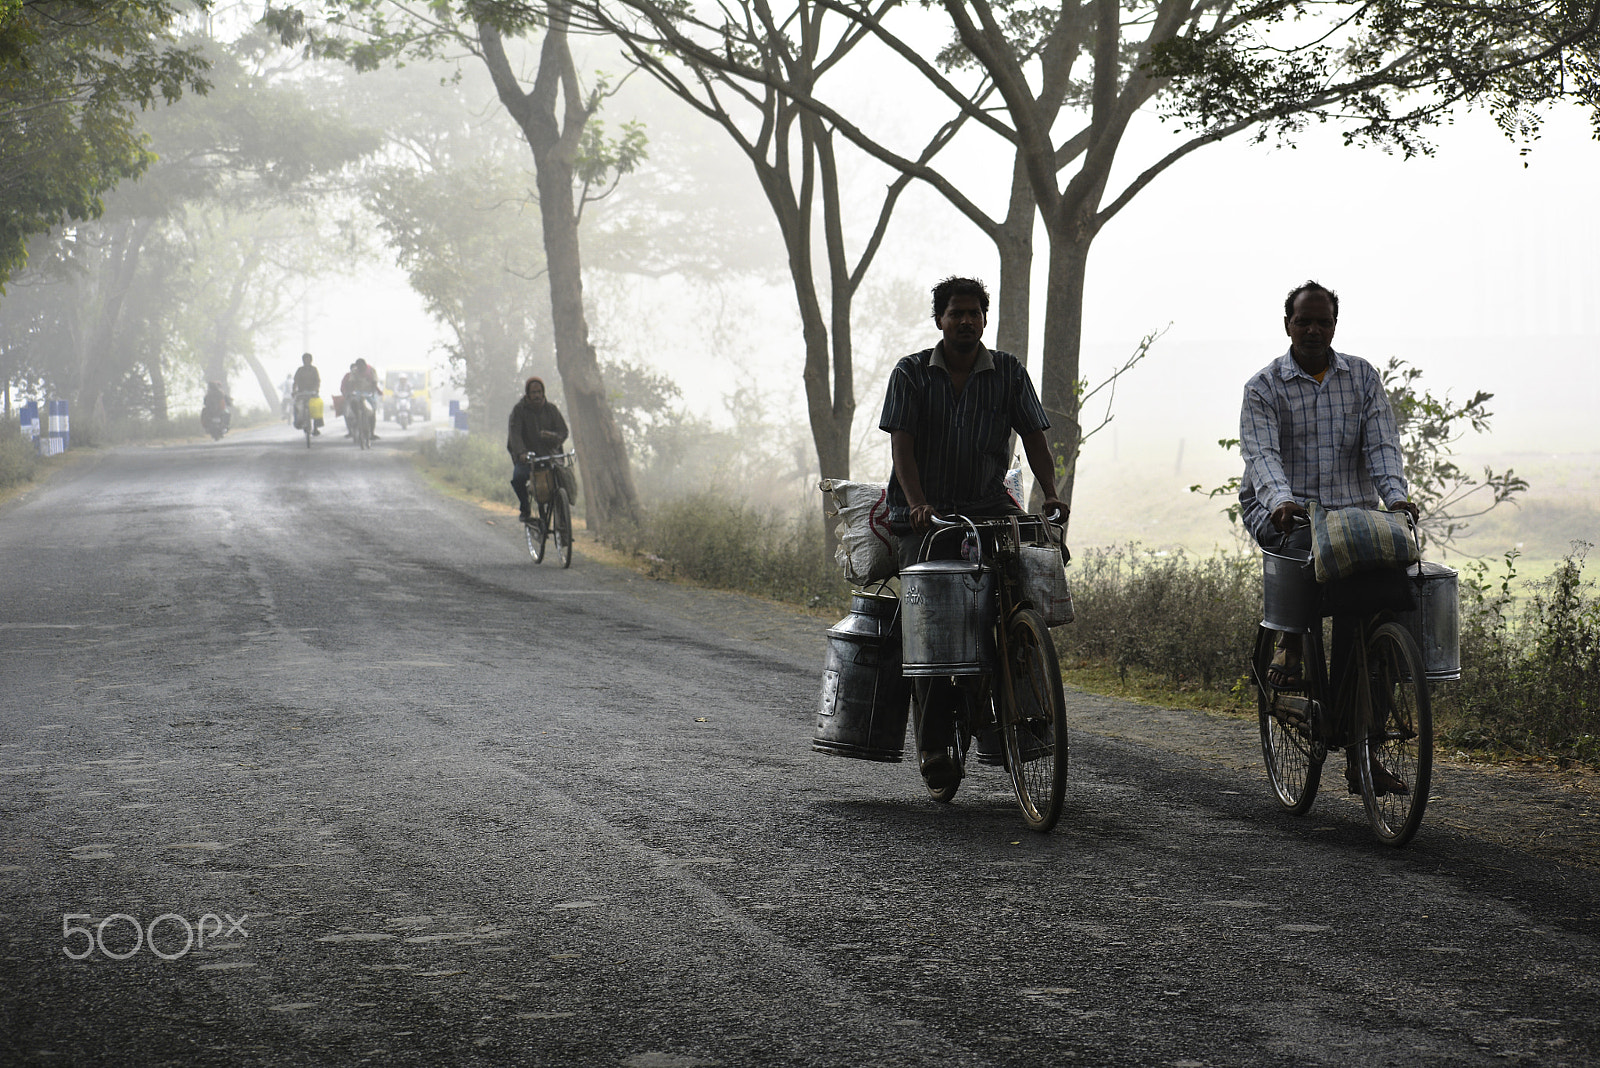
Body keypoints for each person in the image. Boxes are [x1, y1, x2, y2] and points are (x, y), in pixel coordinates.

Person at [878, 275, 1067, 792]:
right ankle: (934, 745)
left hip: (987, 506)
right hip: (925, 516)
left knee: (1012, 603)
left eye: (974, 313)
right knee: (935, 629)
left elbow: (1034, 437)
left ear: (986, 319)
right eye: (955, 313)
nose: (965, 321)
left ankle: (1019, 728)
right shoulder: (912, 373)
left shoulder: (1007, 372)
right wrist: (917, 504)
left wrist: (1049, 492)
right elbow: (903, 447)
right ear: (939, 320)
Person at [1238, 280, 1421, 796]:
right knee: (1301, 557)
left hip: (1351, 512)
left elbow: (1382, 446)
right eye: (1304, 321)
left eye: (1323, 321)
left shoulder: (1361, 377)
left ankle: (1365, 748)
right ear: (1288, 325)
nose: (1314, 330)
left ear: (1335, 325)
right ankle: (1291, 644)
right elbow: (1262, 457)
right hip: (1286, 511)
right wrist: (1280, 502)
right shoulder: (1264, 386)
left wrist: (1397, 498)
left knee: (1382, 602)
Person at [507, 376, 571, 524]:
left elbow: (563, 432)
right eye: (533, 392)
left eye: (539, 391)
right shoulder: (519, 410)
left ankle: (562, 521)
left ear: (543, 393)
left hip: (550, 457)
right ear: (528, 394)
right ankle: (525, 508)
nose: (537, 395)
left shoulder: (552, 410)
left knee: (562, 482)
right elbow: (514, 435)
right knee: (518, 478)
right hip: (528, 459)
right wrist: (521, 453)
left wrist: (552, 436)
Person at [342, 358, 381, 440]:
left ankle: (372, 433)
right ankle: (357, 417)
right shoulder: (354, 371)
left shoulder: (371, 370)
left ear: (365, 365)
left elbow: (374, 382)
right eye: (358, 367)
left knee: (372, 412)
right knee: (353, 403)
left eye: (361, 367)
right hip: (358, 392)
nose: (360, 369)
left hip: (369, 393)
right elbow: (352, 382)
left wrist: (372, 392)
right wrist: (351, 392)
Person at [291, 352, 323, 435]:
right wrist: (294, 391)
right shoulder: (300, 370)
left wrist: (316, 389)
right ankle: (299, 423)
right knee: (297, 406)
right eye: (305, 360)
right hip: (301, 393)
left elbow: (317, 381)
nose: (307, 361)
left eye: (308, 359)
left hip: (312, 392)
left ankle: (316, 427)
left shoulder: (314, 370)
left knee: (317, 406)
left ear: (311, 360)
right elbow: (295, 382)